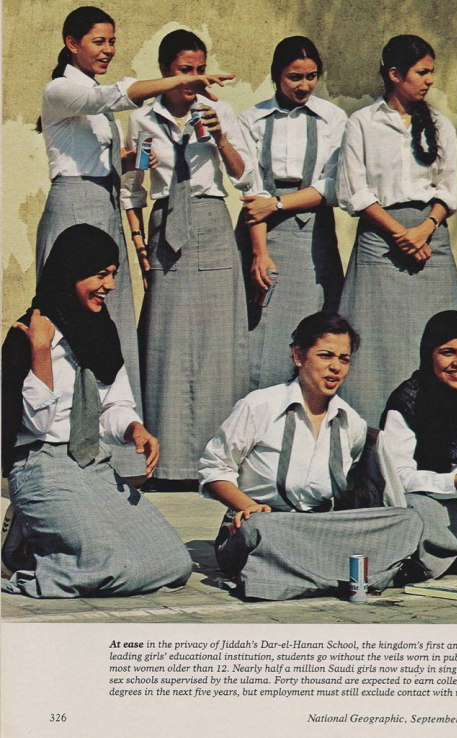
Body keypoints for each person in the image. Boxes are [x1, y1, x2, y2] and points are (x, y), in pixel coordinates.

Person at [36, 6, 233, 475]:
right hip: (74, 205)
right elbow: (116, 95)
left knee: (112, 323)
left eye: (111, 42)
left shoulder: (103, 107)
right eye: (99, 42)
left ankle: (117, 450)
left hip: (104, 204)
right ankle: (60, 439)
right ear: (72, 43)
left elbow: (128, 174)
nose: (108, 50)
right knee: (70, 321)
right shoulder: (62, 88)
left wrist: (135, 173)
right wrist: (177, 82)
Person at [1, 224, 192, 598]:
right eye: (100, 274)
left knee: (173, 562)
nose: (109, 285)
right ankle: (25, 554)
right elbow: (37, 425)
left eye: (114, 275)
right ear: (72, 272)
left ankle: (37, 536)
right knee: (108, 565)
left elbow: (113, 406)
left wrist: (134, 429)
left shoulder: (101, 330)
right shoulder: (28, 335)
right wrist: (41, 354)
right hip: (40, 467)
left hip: (94, 467)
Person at [199, 312, 423, 601]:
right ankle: (336, 573)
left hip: (317, 528)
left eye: (344, 359)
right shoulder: (259, 406)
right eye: (326, 355)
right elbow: (214, 468)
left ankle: (294, 574)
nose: (335, 368)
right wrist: (249, 506)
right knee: (260, 530)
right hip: (267, 525)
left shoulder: (351, 422)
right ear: (298, 355)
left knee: (408, 521)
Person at [121, 29, 251, 482]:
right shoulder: (142, 121)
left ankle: (216, 461)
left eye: (200, 69)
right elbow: (134, 186)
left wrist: (220, 139)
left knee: (217, 341)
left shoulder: (219, 112)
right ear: (164, 72)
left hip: (212, 221)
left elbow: (244, 177)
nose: (194, 79)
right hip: (165, 224)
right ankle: (169, 460)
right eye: (184, 70)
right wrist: (138, 242)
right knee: (167, 339)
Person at [336, 34, 457, 427]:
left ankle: (448, 430)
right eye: (422, 72)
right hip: (380, 240)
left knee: (444, 332)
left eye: (431, 73)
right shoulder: (361, 123)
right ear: (395, 74)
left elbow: (448, 189)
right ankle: (371, 432)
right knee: (376, 340)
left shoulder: (440, 125)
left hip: (431, 240)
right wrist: (400, 233)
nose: (429, 80)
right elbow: (353, 191)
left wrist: (425, 229)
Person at [237, 37, 346, 390]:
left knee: (313, 317)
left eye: (311, 77)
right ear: (276, 76)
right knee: (261, 317)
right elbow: (251, 187)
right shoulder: (252, 118)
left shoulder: (333, 118)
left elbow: (334, 185)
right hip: (261, 228)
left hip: (313, 228)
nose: (304, 86)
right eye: (294, 77)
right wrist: (259, 250)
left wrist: (280, 203)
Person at [380, 310, 457, 579]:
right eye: (448, 352)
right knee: (413, 515)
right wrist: (454, 482)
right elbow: (398, 478)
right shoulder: (407, 402)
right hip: (426, 502)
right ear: (429, 354)